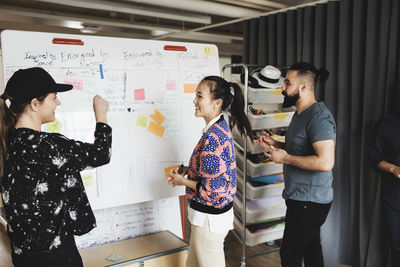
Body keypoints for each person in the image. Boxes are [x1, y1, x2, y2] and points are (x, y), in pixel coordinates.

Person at [0, 67, 112, 267]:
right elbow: (101, 154)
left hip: (22, 256)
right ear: (35, 104)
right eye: (54, 98)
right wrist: (101, 114)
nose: (58, 103)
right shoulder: (47, 146)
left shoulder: (7, 142)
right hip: (56, 257)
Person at [167, 76, 252, 267]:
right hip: (209, 216)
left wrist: (182, 181)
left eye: (199, 96)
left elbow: (212, 187)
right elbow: (213, 171)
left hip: (209, 219)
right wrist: (188, 170)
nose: (194, 101)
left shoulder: (212, 137)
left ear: (217, 103)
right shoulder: (218, 127)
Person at [259, 62, 335, 267]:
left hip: (309, 201)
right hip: (301, 197)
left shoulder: (319, 118)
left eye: (287, 83)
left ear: (303, 87)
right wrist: (276, 144)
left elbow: (326, 162)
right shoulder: (300, 113)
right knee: (312, 249)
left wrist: (284, 158)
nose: (282, 88)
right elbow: (301, 148)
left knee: (290, 255)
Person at [368, 111, 400, 267]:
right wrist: (393, 169)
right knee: (396, 247)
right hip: (394, 199)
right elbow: (373, 157)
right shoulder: (387, 123)